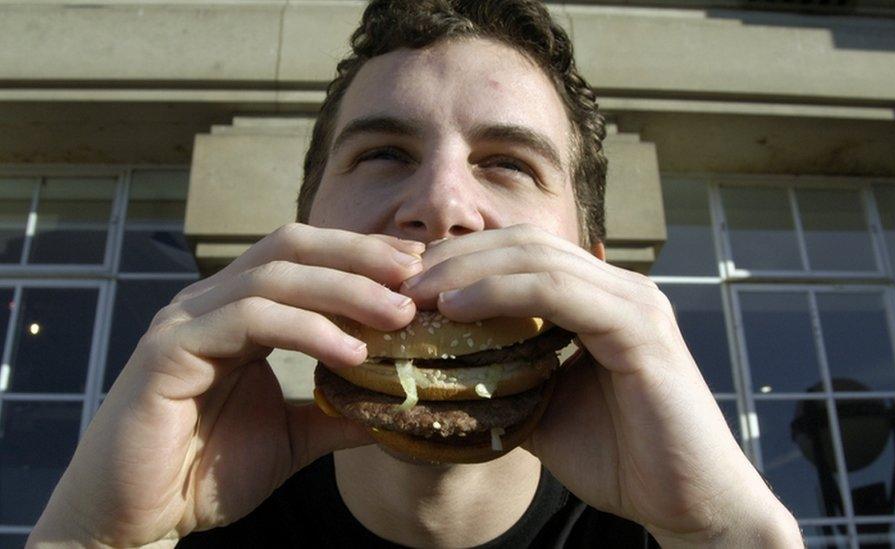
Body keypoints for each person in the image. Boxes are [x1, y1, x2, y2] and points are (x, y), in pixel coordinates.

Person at [28, 1, 802, 547]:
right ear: (303, 237)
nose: (440, 204)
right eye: (385, 154)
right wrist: (94, 539)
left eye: (507, 163)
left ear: (591, 268)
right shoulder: (195, 515)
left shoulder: (669, 531)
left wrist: (729, 533)